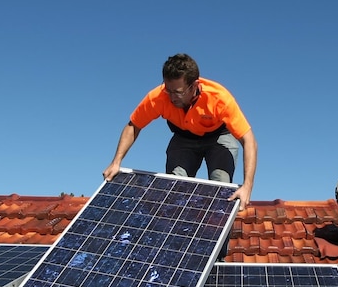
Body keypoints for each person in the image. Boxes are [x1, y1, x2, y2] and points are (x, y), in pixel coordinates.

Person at [102, 54, 257, 208]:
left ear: (195, 85)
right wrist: (116, 162)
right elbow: (133, 125)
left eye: (178, 92)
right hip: (184, 139)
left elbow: (249, 140)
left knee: (220, 187)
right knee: (175, 187)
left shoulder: (219, 99)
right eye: (168, 90)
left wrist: (247, 186)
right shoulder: (158, 97)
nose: (172, 97)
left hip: (218, 137)